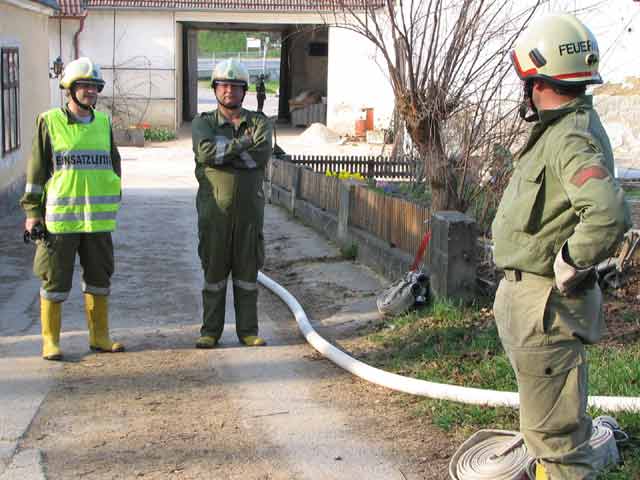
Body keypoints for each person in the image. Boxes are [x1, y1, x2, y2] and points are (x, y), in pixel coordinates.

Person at [492, 14, 632, 480]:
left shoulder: (568, 136)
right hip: (534, 305)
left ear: (536, 81)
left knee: (558, 446)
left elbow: (608, 212)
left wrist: (572, 259)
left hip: (546, 307)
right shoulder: (559, 131)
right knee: (545, 433)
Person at [20, 57, 124, 361]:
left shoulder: (103, 123)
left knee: (99, 278)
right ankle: (50, 341)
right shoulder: (50, 121)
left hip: (97, 221)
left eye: (95, 86)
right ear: (70, 88)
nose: (90, 91)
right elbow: (36, 171)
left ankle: (100, 337)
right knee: (54, 279)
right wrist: (32, 213)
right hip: (61, 221)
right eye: (84, 85)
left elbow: (113, 163)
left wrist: (114, 193)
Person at [191, 59, 273, 349]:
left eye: (236, 86)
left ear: (244, 91)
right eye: (224, 85)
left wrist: (224, 155)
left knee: (247, 276)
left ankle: (248, 331)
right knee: (214, 275)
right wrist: (242, 145)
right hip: (214, 214)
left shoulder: (259, 123)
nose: (229, 91)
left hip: (249, 215)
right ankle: (210, 332)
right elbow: (205, 154)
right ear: (215, 89)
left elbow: (260, 157)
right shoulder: (203, 123)